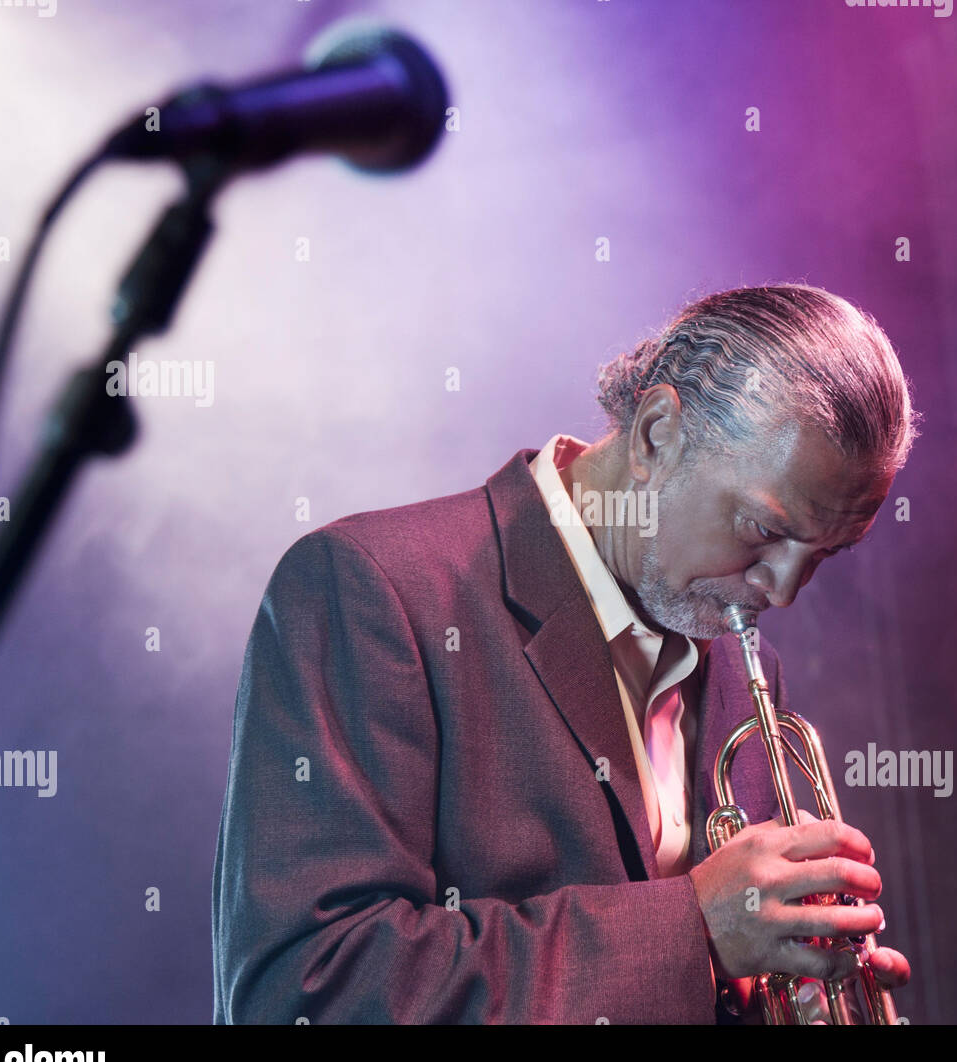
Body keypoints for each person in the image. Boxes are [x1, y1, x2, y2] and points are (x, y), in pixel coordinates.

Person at [212, 283, 918, 1024]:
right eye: (762, 530)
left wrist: (793, 991)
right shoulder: (372, 587)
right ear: (654, 435)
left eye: (825, 555)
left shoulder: (742, 669)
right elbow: (305, 990)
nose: (782, 594)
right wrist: (697, 930)